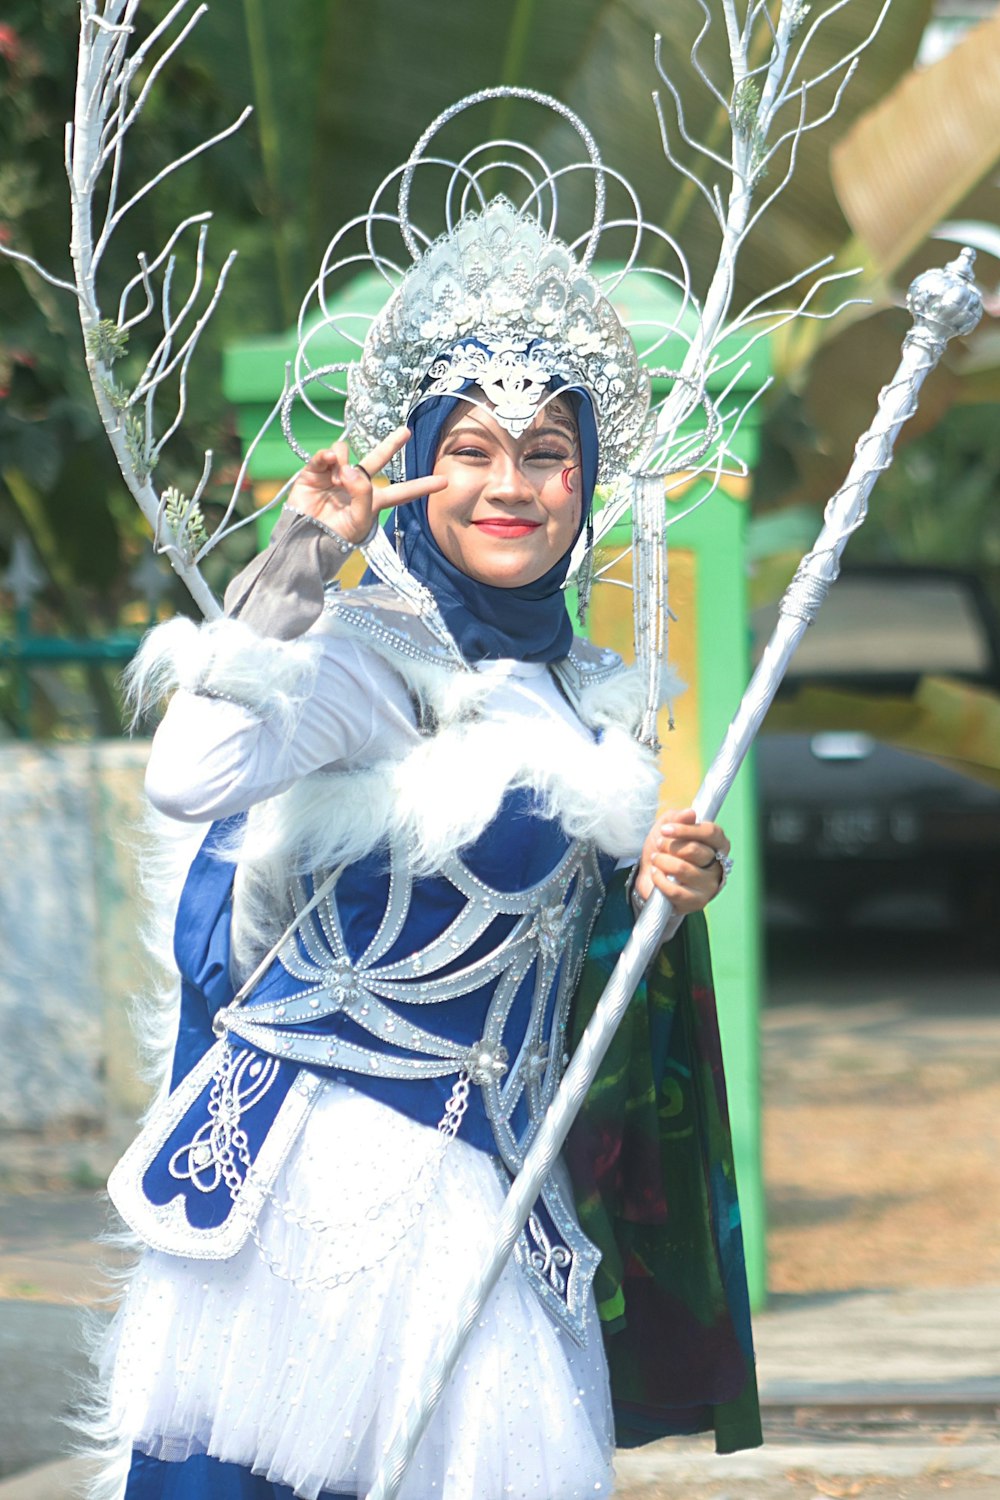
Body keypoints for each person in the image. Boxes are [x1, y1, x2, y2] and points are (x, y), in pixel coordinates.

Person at [95, 190, 759, 1500]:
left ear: (589, 479)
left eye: (546, 451)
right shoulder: (368, 654)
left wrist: (659, 883)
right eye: (469, 447)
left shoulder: (594, 691)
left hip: (498, 1202)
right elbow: (191, 778)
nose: (510, 485)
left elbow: (564, 956)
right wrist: (299, 560)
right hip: (312, 1202)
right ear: (413, 463)